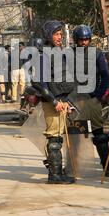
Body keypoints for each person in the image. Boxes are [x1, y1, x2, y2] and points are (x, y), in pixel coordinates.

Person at [31, 20, 76, 184]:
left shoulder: (57, 53)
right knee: (54, 139)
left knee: (58, 137)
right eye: (57, 34)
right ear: (49, 36)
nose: (60, 37)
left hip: (61, 100)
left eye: (60, 34)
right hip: (52, 103)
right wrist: (54, 101)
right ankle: (55, 175)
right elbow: (40, 84)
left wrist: (65, 100)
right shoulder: (43, 56)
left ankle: (58, 173)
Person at [72, 25, 109, 177]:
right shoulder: (68, 54)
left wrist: (98, 96)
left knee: (100, 135)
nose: (83, 42)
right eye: (81, 40)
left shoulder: (96, 54)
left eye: (86, 39)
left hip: (92, 99)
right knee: (75, 135)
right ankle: (73, 166)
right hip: (76, 101)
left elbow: (105, 76)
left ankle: (107, 166)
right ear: (75, 40)